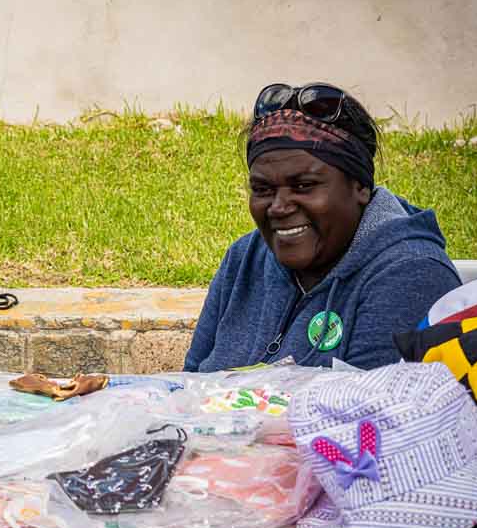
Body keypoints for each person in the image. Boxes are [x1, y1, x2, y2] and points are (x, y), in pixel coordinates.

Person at [183, 83, 460, 373]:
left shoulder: (410, 275)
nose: (278, 206)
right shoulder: (244, 260)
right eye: (263, 189)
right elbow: (187, 386)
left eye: (304, 186)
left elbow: (370, 414)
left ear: (360, 187)